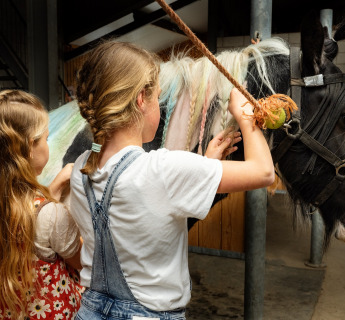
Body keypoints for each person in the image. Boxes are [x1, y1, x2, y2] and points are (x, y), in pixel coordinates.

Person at [69, 41, 275, 319]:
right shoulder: (164, 169)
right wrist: (246, 117)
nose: (158, 104)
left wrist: (206, 163)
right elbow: (264, 171)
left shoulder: (81, 167)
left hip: (90, 311)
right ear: (141, 99)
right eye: (158, 98)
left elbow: (148, 196)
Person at [0, 90, 83, 320]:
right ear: (30, 147)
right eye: (46, 139)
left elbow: (20, 219)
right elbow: (83, 261)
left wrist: (55, 188)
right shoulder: (49, 214)